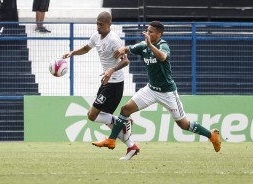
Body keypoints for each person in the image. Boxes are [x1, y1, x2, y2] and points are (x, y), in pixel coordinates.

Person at [92, 21, 221, 153]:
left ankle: (212, 136)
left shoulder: (163, 45)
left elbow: (163, 57)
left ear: (159, 34)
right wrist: (122, 49)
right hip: (150, 90)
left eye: (151, 32)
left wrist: (150, 45)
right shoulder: (143, 46)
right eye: (147, 31)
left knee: (183, 124)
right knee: (125, 110)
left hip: (167, 92)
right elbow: (129, 49)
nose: (148, 33)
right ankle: (111, 140)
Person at [63, 11, 139, 160]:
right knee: (101, 118)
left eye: (101, 24)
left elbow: (125, 61)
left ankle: (122, 122)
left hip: (115, 84)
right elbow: (86, 48)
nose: (98, 26)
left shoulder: (114, 40)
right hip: (106, 82)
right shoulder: (96, 36)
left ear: (109, 24)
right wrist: (72, 52)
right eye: (97, 23)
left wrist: (112, 70)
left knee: (92, 115)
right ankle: (131, 145)